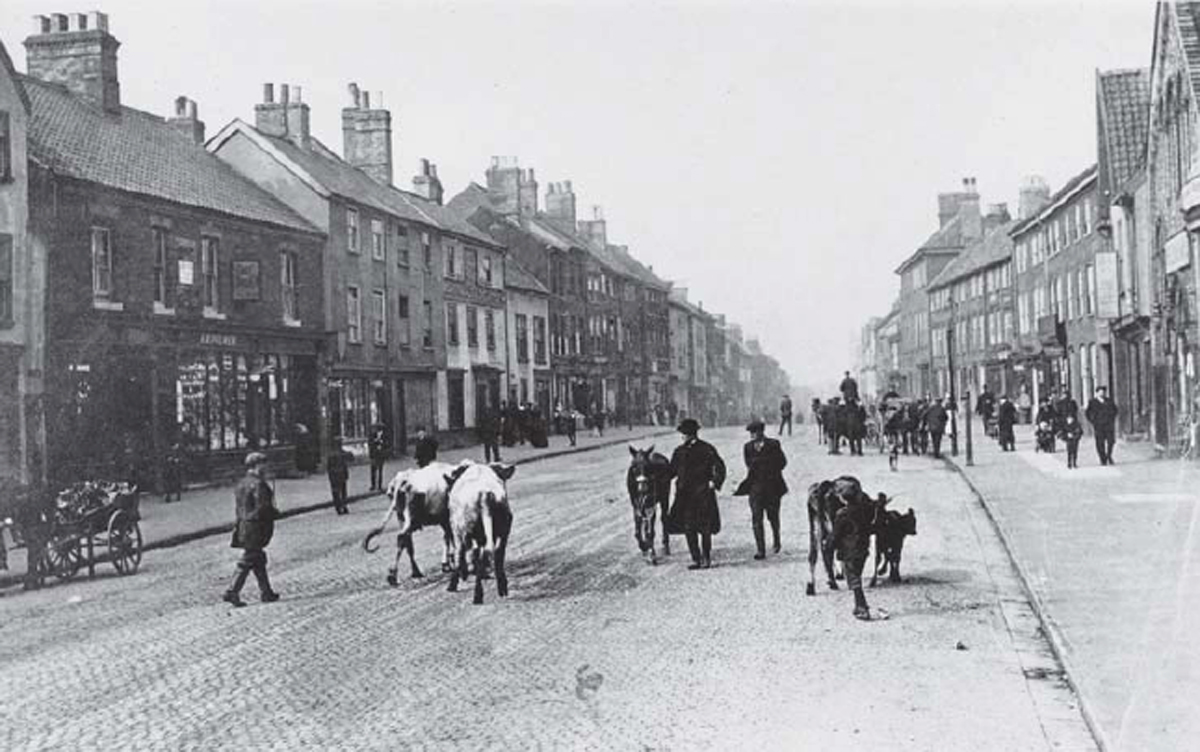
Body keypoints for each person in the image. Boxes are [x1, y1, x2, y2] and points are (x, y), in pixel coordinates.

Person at [665, 418, 726, 570]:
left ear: (692, 434)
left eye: (684, 434)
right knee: (688, 527)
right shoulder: (679, 451)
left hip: (702, 493)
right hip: (684, 495)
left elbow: (720, 467)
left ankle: (706, 557)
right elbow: (671, 471)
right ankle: (696, 559)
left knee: (705, 528)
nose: (682, 436)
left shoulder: (706, 449)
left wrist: (715, 482)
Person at [223, 452, 280, 607]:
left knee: (258, 559)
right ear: (256, 465)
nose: (266, 467)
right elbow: (263, 507)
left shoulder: (241, 483)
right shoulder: (259, 484)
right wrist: (275, 513)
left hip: (244, 526)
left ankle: (266, 592)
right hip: (256, 527)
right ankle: (232, 591)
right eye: (263, 464)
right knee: (249, 558)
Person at [733, 419, 788, 560]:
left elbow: (782, 462)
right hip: (755, 488)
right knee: (757, 519)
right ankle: (760, 549)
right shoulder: (747, 447)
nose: (752, 435)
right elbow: (748, 464)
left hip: (772, 487)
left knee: (773, 517)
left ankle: (776, 539)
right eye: (750, 433)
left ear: (761, 432)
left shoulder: (774, 444)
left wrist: (768, 466)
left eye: (754, 432)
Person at [828, 488, 877, 621]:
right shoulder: (864, 512)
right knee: (857, 577)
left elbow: (836, 535)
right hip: (863, 549)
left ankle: (862, 608)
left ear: (843, 500)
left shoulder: (842, 514)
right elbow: (871, 528)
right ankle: (858, 606)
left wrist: (830, 547)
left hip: (849, 550)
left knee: (854, 580)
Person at [1085, 386, 1119, 465]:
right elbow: (1088, 413)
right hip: (1099, 426)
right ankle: (1102, 458)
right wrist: (1093, 421)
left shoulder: (1109, 401)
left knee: (1111, 441)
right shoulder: (1092, 402)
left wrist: (1112, 418)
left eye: (1103, 392)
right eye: (1100, 392)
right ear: (1096, 393)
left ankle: (1109, 455)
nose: (1102, 393)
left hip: (1108, 425)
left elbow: (1115, 410)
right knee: (1100, 443)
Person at [326, 438, 352, 515]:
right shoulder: (341, 453)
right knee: (342, 492)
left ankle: (339, 507)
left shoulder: (332, 453)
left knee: (336, 492)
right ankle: (343, 506)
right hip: (341, 475)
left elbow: (329, 467)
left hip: (335, 476)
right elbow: (351, 458)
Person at [368, 424, 389, 492]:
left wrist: (382, 444)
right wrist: (376, 441)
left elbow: (387, 445)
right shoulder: (372, 435)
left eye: (382, 432)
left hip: (380, 456)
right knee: (373, 470)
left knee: (380, 470)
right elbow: (370, 444)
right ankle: (373, 485)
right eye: (379, 432)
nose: (381, 433)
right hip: (374, 455)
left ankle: (379, 486)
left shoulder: (384, 437)